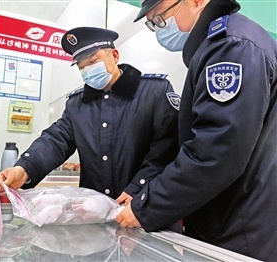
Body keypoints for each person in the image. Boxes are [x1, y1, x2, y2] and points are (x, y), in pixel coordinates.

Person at [116, 0, 277, 261]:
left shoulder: (230, 46)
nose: (159, 29)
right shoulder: (220, 44)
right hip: (232, 216)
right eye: (153, 24)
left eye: (161, 18)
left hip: (241, 227)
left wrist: (147, 205)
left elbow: (216, 151)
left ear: (197, 2)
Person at [0, 26, 180, 220]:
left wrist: (139, 189)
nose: (88, 70)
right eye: (81, 66)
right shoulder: (77, 104)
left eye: (93, 61)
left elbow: (167, 150)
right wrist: (25, 168)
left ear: (115, 56)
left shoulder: (153, 93)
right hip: (94, 216)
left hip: (145, 210)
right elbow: (56, 140)